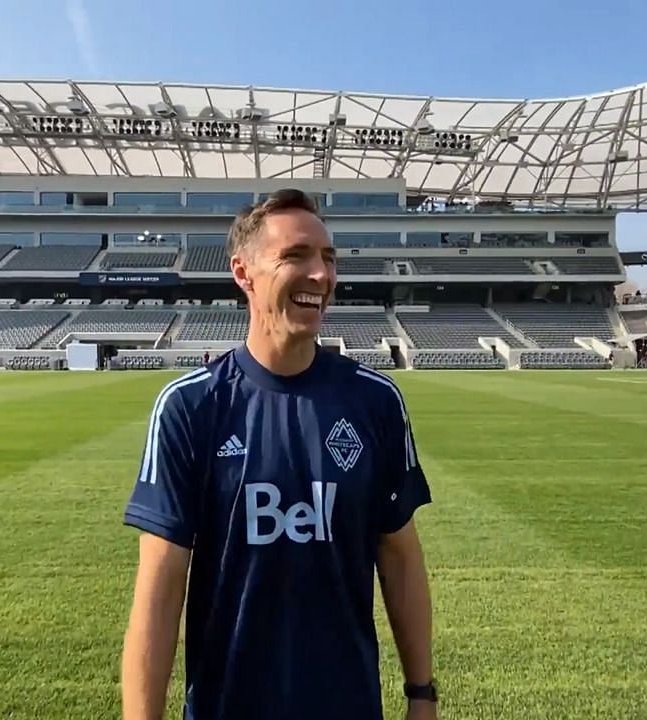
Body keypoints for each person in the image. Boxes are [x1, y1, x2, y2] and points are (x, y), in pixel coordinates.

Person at [121, 189, 437, 720]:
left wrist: (421, 696)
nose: (320, 275)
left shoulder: (375, 401)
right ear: (244, 274)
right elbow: (159, 589)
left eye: (328, 259)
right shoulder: (190, 407)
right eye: (296, 256)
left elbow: (400, 555)